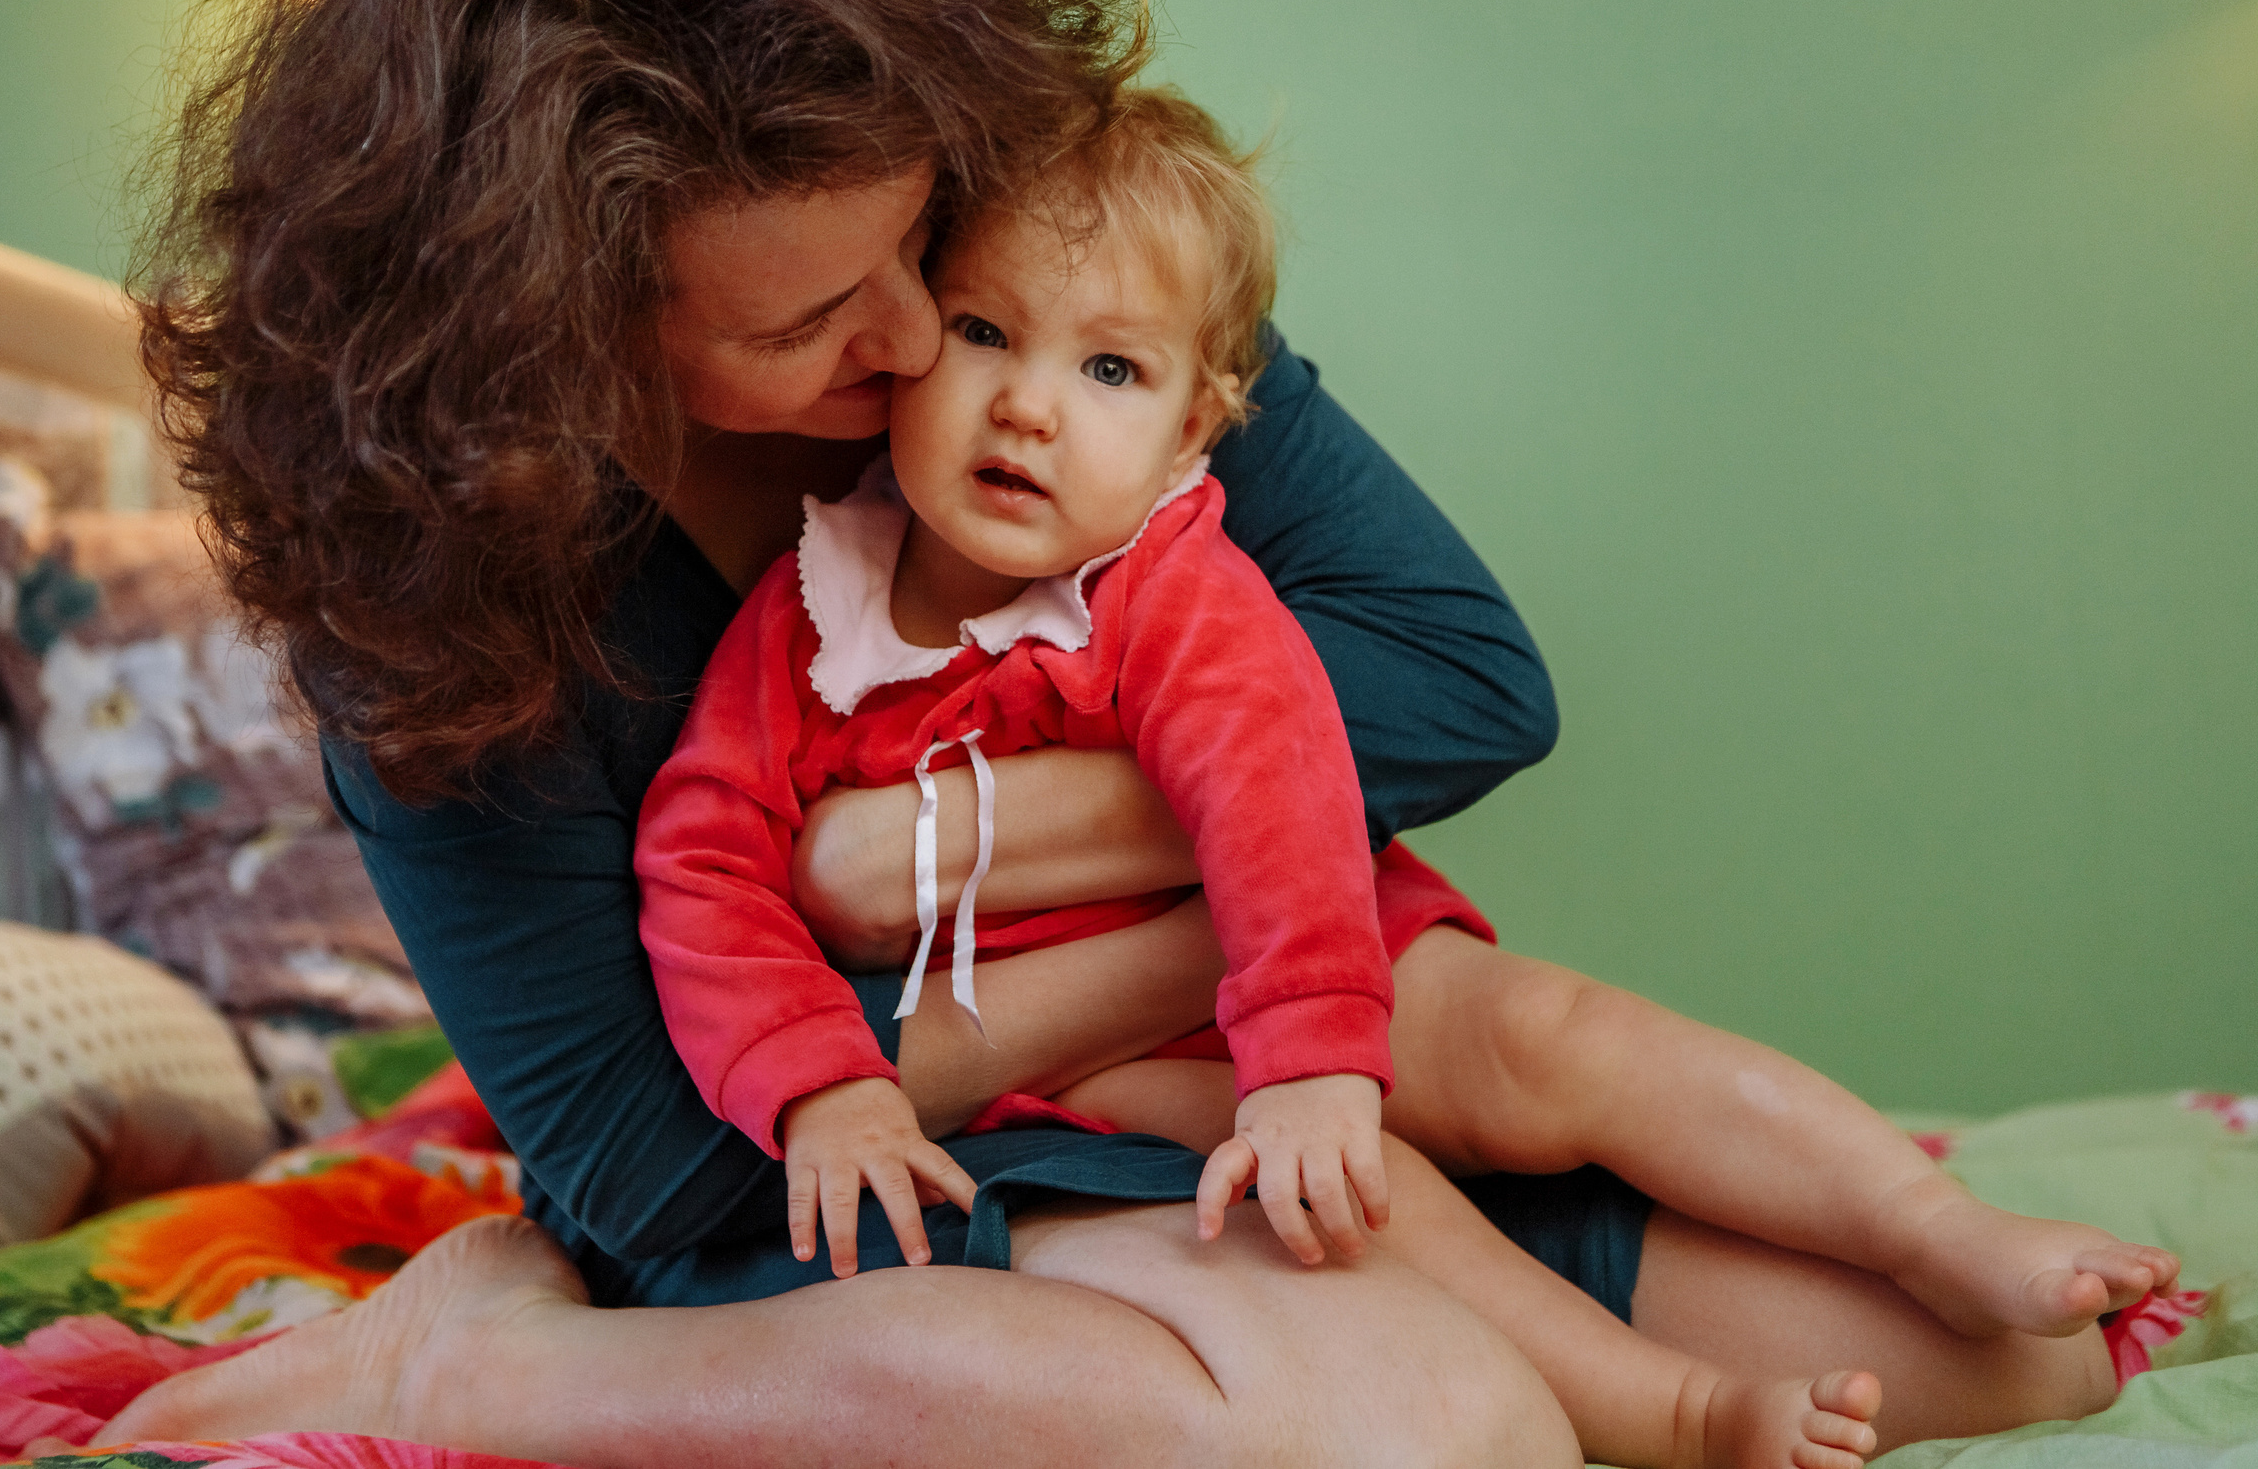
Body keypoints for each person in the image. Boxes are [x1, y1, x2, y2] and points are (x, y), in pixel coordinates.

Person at [105, 0, 2137, 1463]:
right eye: (817, 320)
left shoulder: (1030, 290)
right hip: (818, 1175)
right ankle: (505, 1364)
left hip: (1225, 1052)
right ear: (556, 336)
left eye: (915, 249)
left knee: (2007, 1361)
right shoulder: (443, 586)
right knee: (1439, 1427)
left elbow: (1454, 676)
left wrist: (918, 860)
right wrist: (1157, 956)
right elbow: (665, 1175)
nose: (923, 344)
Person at [632, 87, 2179, 1468]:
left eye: (1108, 367)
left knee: (1549, 1037)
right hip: (1089, 1072)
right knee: (1353, 1214)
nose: (1028, 403)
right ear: (907, 346)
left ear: (1195, 433)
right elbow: (702, 864)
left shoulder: (1168, 588)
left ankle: (1933, 1225)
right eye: (985, 333)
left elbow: (1281, 793)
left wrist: (1310, 1052)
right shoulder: (812, 612)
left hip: (1305, 953)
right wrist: (822, 1089)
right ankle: (1680, 1415)